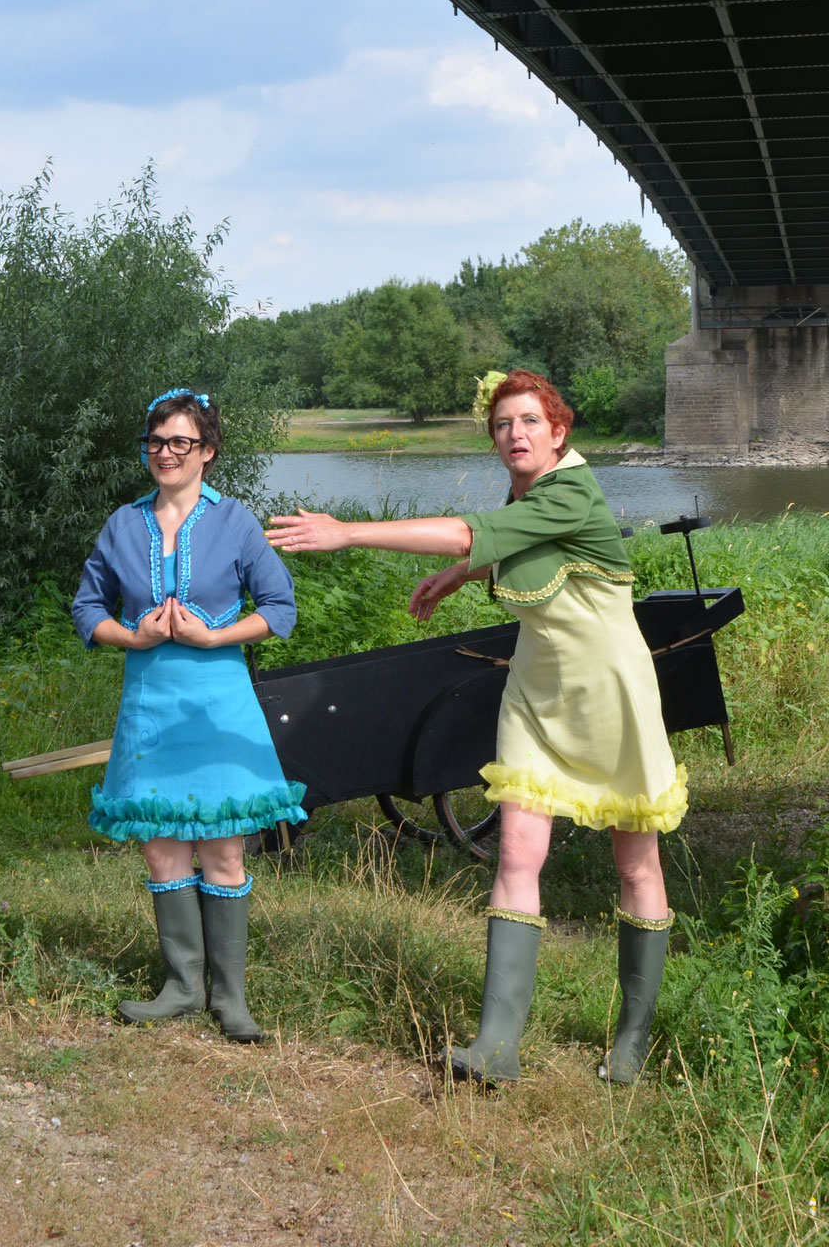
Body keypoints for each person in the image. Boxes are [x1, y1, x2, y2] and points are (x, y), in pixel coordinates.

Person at [267, 368, 685, 1086]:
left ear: (559, 432)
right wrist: (462, 574)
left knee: (634, 864)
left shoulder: (573, 490)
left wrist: (347, 532)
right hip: (535, 689)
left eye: (529, 421)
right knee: (518, 853)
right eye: (502, 424)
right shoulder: (525, 494)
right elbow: (499, 542)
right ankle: (497, 1048)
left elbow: (474, 531)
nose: (515, 434)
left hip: (609, 692)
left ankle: (631, 1041)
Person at [71, 388, 305, 1041]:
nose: (166, 453)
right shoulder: (122, 525)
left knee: (223, 850)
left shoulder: (235, 522)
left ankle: (231, 999)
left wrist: (211, 637)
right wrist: (134, 637)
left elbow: (280, 609)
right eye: (156, 441)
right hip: (150, 707)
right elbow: (86, 610)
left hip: (219, 706)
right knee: (163, 850)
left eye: (181, 442)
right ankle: (180, 986)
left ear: (207, 451)